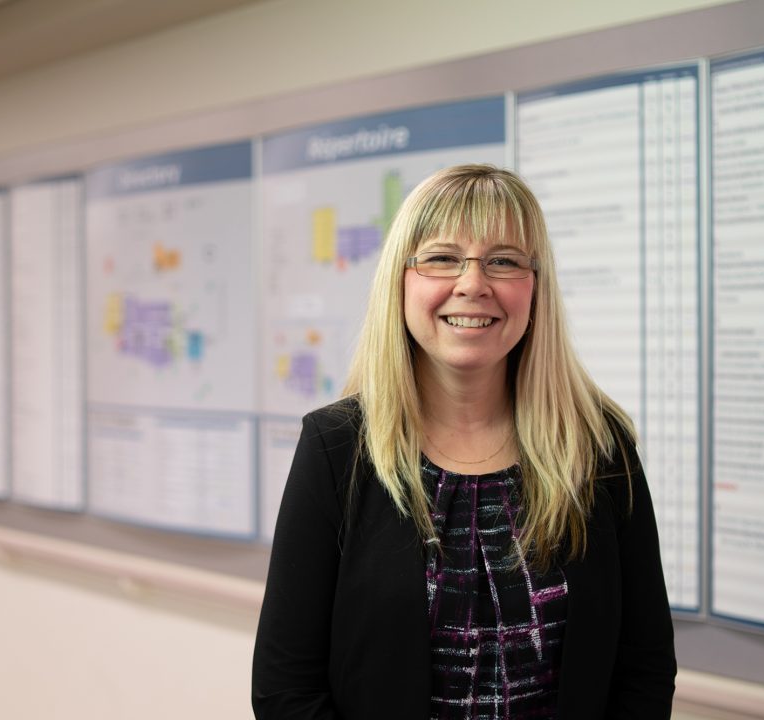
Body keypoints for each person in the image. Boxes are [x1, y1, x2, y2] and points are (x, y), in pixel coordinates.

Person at [252, 164, 676, 719]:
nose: (473, 284)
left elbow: (643, 668)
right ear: (400, 280)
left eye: (503, 260)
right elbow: (286, 688)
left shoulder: (598, 448)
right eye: (442, 257)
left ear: (535, 286)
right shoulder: (337, 448)